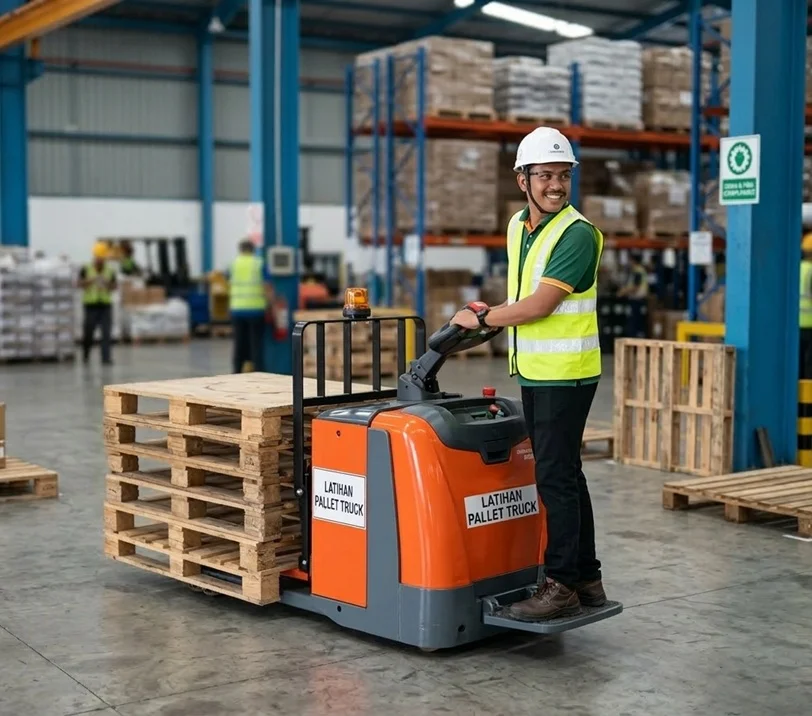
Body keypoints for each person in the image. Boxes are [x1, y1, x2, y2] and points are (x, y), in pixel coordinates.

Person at [450, 126, 606, 620]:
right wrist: (492, 322)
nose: (556, 185)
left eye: (563, 175)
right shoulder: (520, 226)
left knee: (555, 478)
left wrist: (481, 318)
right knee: (565, 475)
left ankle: (560, 585)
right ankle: (587, 578)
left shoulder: (578, 234)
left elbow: (540, 304)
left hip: (568, 373)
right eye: (545, 176)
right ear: (523, 180)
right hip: (537, 370)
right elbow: (522, 294)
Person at [228, 239, 274, 373]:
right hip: (256, 310)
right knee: (256, 345)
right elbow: (267, 287)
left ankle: (236, 372)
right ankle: (258, 372)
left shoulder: (233, 264)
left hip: (237, 310)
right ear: (253, 250)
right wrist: (271, 306)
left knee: (239, 344)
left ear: (240, 249)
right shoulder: (259, 263)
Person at [78, 241, 117, 365]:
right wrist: (92, 280)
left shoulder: (110, 271)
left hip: (105, 305)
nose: (102, 260)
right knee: (88, 332)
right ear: (95, 256)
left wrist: (106, 283)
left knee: (106, 333)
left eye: (103, 258)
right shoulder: (86, 268)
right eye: (100, 257)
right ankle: (86, 356)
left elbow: (114, 286)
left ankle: (106, 358)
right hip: (91, 305)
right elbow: (80, 284)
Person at [617, 251, 649, 337]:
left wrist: (623, 292)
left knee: (635, 323)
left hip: (637, 301)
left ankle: (634, 340)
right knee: (637, 322)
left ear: (633, 261)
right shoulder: (640, 270)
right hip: (638, 301)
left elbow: (635, 287)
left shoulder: (638, 271)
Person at [800, 234, 812, 378]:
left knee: (797, 363)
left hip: (795, 324)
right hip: (809, 325)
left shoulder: (797, 267)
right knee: (809, 364)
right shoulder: (811, 270)